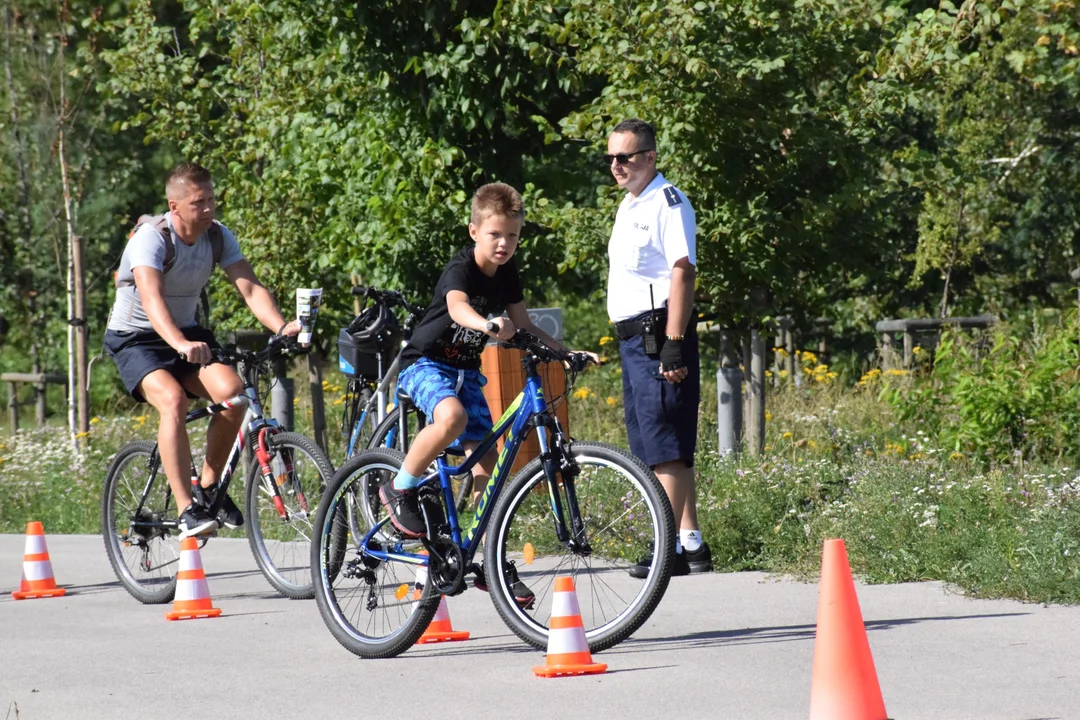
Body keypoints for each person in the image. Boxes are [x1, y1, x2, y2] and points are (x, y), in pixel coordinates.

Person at [380, 182, 596, 607]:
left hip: (465, 372)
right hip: (425, 364)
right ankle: (400, 487)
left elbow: (526, 325)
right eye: (495, 234)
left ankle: (485, 554)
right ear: (474, 230)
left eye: (512, 236)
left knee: (489, 469)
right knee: (452, 419)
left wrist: (565, 353)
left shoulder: (508, 275)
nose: (504, 244)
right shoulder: (461, 269)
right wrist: (485, 325)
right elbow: (457, 306)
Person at [104, 163, 301, 538]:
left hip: (187, 334)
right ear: (174, 205)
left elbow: (251, 288)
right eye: (199, 202)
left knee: (234, 395)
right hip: (137, 337)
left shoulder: (218, 237)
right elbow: (152, 298)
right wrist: (178, 343)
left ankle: (208, 488)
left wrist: (281, 326)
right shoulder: (151, 238)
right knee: (174, 400)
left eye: (212, 199)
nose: (209, 208)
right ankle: (185, 510)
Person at [604, 119, 713, 577]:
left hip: (658, 337)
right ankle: (691, 543)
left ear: (649, 157)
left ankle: (664, 548)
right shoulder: (630, 205)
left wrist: (672, 342)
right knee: (658, 442)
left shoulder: (668, 202)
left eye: (625, 157)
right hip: (634, 340)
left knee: (664, 442)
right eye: (610, 158)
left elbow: (682, 272)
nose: (615, 165)